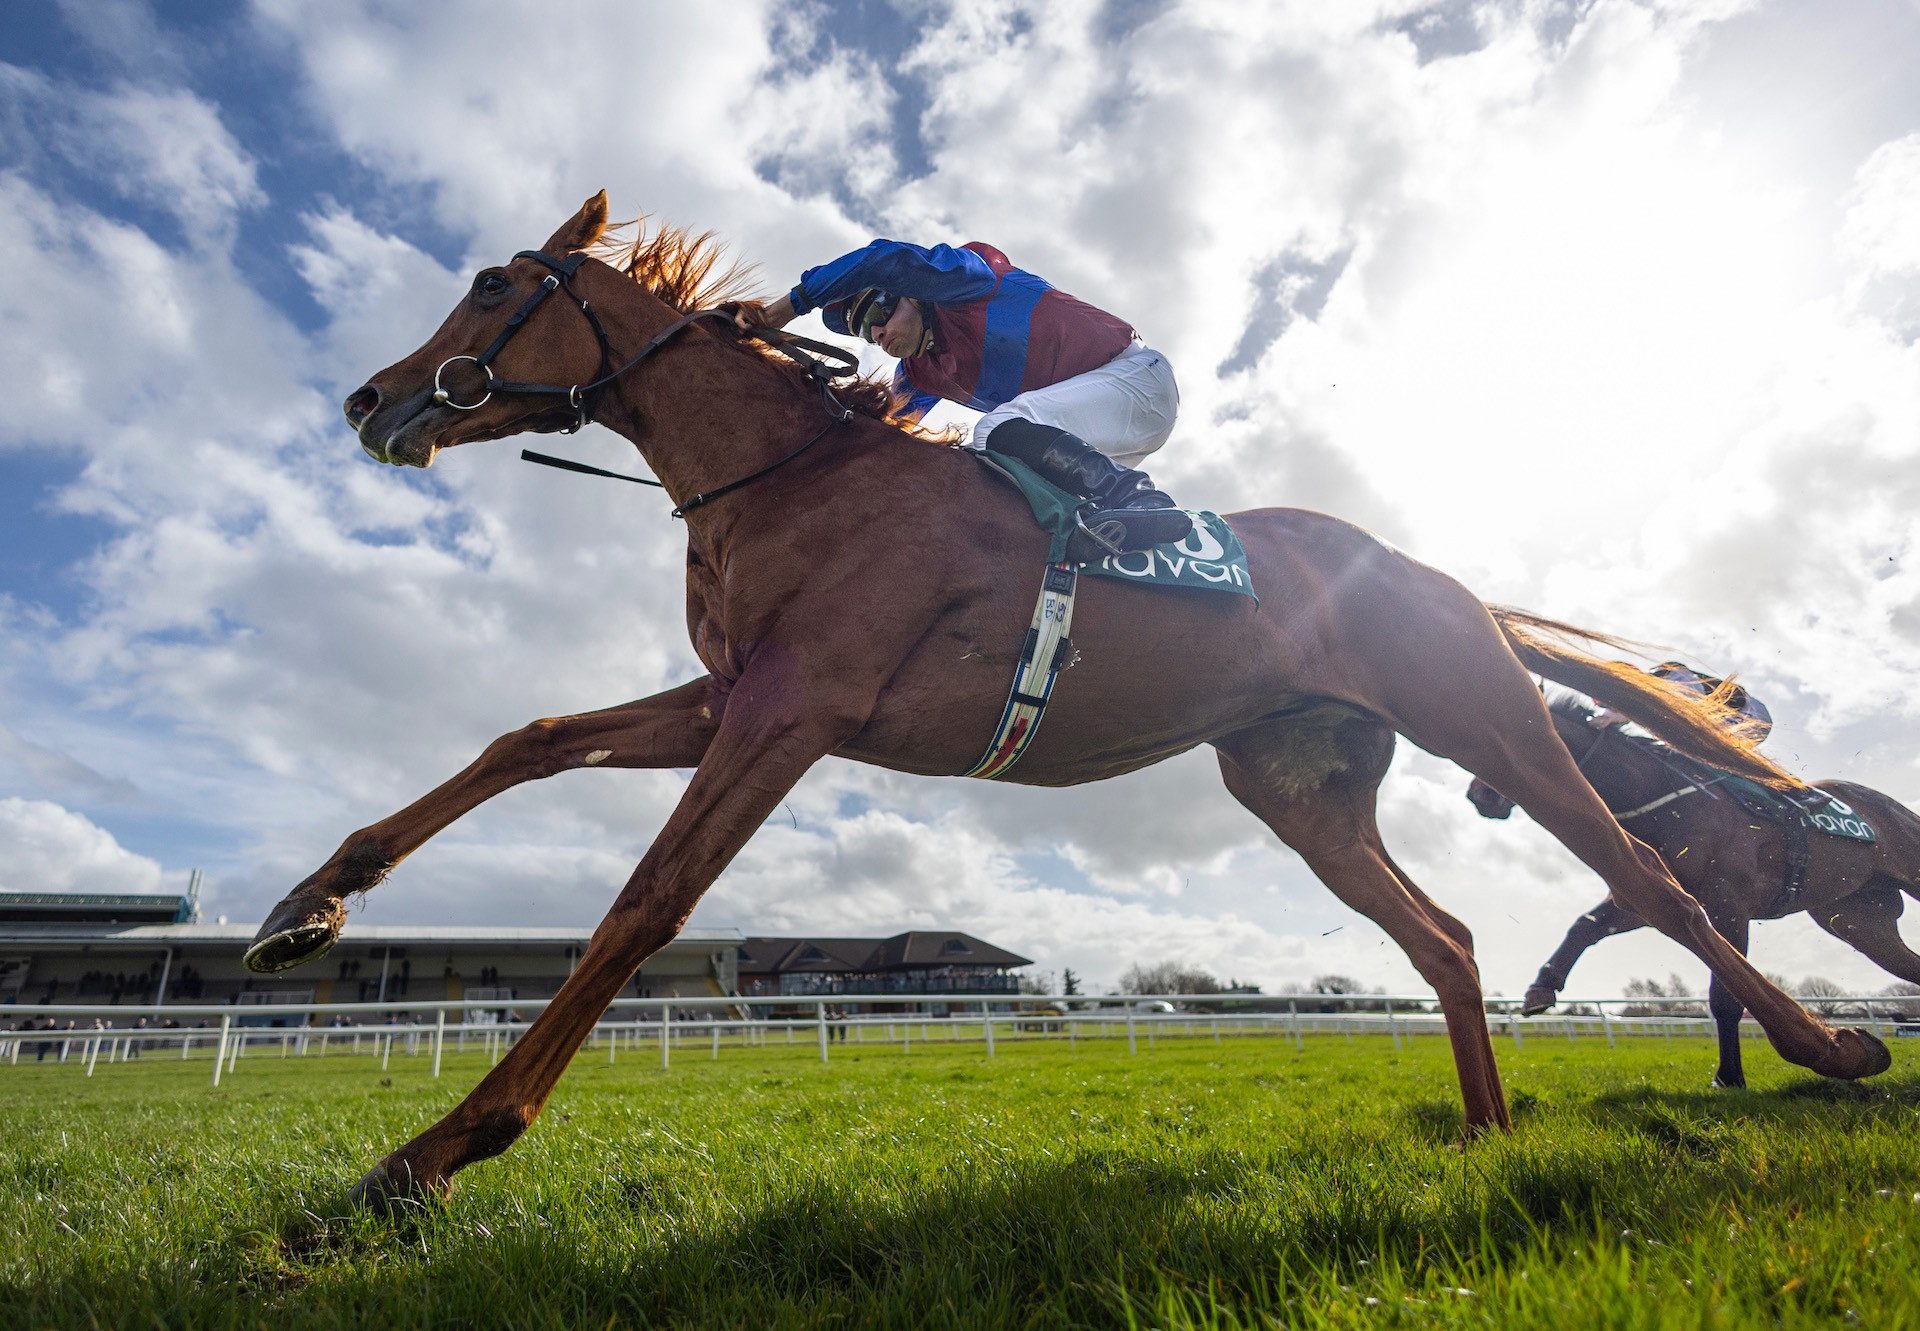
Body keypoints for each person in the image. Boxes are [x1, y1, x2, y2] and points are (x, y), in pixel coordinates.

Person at [740, 238, 1191, 553]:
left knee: (991, 431)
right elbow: (872, 437)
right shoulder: (918, 375)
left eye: (880, 310)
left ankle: (1140, 500)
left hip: (1137, 380)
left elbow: (882, 259)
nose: (876, 332)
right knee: (995, 487)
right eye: (864, 329)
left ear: (915, 294)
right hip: (1109, 429)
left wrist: (782, 311)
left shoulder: (968, 283)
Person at [1591, 660, 1772, 740]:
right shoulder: (1645, 695)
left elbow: (1687, 713)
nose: (1613, 708)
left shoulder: (1673, 677)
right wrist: (1606, 718)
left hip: (1751, 719)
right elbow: (1619, 713)